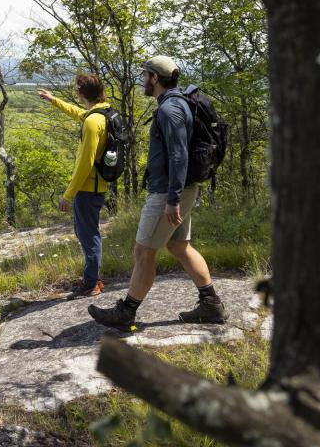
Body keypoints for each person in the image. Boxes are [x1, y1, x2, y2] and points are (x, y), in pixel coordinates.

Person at [88, 55, 227, 329]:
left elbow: (179, 155)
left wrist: (173, 199)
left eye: (144, 76)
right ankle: (211, 305)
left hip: (169, 192)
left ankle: (127, 311)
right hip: (180, 189)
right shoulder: (177, 103)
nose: (142, 80)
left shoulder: (169, 110)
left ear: (155, 78)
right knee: (178, 245)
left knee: (143, 252)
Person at [38, 74, 110, 298]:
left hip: (88, 188)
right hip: (98, 185)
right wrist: (53, 100)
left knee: (89, 235)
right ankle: (93, 278)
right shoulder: (103, 113)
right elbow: (78, 112)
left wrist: (68, 195)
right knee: (87, 232)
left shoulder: (92, 121)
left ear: (81, 93)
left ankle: (92, 283)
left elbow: (86, 163)